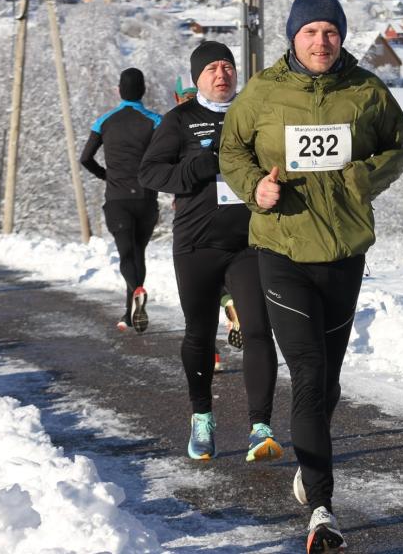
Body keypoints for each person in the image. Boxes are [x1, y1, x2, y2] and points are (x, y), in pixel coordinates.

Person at [219, 0, 403, 553]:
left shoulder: (365, 90)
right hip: (280, 249)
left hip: (344, 253)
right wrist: (254, 186)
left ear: (342, 36)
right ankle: (323, 510)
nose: (321, 40)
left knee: (326, 377)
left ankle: (309, 465)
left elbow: (401, 147)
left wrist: (361, 179)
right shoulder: (262, 92)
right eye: (310, 32)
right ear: (293, 37)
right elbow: (232, 152)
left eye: (330, 31)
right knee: (307, 370)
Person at [139, 41, 280, 464]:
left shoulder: (254, 116)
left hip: (249, 244)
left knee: (257, 329)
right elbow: (149, 173)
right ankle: (202, 418)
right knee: (198, 334)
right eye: (212, 69)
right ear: (197, 78)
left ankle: (260, 428)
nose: (222, 74)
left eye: (228, 66)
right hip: (196, 245)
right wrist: (194, 168)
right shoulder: (180, 120)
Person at [81, 68, 161, 333]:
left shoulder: (104, 121)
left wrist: (106, 176)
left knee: (127, 254)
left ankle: (136, 294)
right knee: (139, 252)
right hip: (146, 200)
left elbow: (85, 159)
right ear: (143, 90)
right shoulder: (156, 121)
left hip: (117, 200)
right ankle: (130, 312)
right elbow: (168, 156)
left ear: (119, 90)